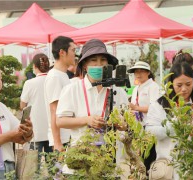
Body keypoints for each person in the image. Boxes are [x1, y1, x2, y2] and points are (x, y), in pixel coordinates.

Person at [55, 39, 128, 173]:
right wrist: (86, 120)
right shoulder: (72, 89)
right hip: (80, 161)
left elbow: (127, 124)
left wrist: (121, 124)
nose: (99, 65)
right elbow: (60, 121)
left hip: (110, 162)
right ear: (84, 65)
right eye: (93, 60)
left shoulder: (118, 91)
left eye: (103, 60)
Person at [145, 62, 193, 179]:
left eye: (188, 84)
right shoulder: (159, 105)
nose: (184, 89)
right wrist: (175, 125)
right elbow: (150, 132)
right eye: (179, 85)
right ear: (171, 84)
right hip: (168, 167)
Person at [44, 36, 76, 151]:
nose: (75, 55)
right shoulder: (55, 77)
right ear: (62, 52)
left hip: (67, 137)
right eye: (73, 50)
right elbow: (54, 111)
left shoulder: (63, 75)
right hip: (62, 140)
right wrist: (57, 142)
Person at [127, 61, 160, 173]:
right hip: (138, 128)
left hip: (150, 128)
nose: (138, 74)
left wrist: (136, 108)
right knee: (139, 158)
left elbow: (154, 108)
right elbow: (133, 107)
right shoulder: (136, 88)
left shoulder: (153, 87)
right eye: (136, 71)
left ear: (148, 73)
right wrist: (132, 111)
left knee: (150, 158)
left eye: (141, 71)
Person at [20, 53, 52, 154]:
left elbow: (22, 105)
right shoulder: (54, 81)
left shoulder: (29, 83)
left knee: (33, 167)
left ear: (34, 66)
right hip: (52, 131)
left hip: (35, 131)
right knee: (54, 166)